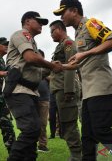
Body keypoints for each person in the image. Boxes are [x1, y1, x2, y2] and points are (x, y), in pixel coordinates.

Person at [53, 0, 112, 161]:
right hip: (88, 92)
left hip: (100, 87)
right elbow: (81, 63)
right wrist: (62, 66)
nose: (61, 17)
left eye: (63, 12)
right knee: (87, 136)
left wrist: (85, 53)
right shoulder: (78, 32)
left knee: (101, 130)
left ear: (74, 10)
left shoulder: (91, 23)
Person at [4, 11, 62, 161]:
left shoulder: (32, 43)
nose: (42, 25)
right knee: (31, 129)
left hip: (30, 92)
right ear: (27, 21)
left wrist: (54, 66)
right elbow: (30, 58)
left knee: (34, 131)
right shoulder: (21, 34)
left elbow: (36, 72)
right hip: (19, 90)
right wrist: (50, 65)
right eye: (39, 21)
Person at [49, 20, 82, 160]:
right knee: (66, 123)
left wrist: (69, 90)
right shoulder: (60, 46)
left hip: (65, 89)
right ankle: (76, 154)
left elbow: (71, 66)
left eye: (52, 31)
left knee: (69, 124)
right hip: (60, 89)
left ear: (59, 29)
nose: (51, 35)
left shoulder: (68, 44)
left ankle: (77, 156)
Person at [36, 49, 50, 152]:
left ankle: (42, 145)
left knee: (43, 123)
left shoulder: (47, 68)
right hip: (31, 99)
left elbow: (53, 79)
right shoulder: (29, 68)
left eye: (40, 55)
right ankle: (31, 143)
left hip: (44, 99)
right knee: (31, 123)